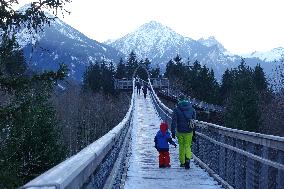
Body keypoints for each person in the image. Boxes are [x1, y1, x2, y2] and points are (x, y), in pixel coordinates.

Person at [171, 94, 196, 169]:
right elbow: (194, 122)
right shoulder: (192, 109)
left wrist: (173, 131)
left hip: (180, 131)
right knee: (187, 146)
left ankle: (182, 162)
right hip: (189, 131)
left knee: (181, 146)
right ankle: (188, 159)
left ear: (179, 100)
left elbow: (174, 121)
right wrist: (194, 133)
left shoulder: (176, 109)